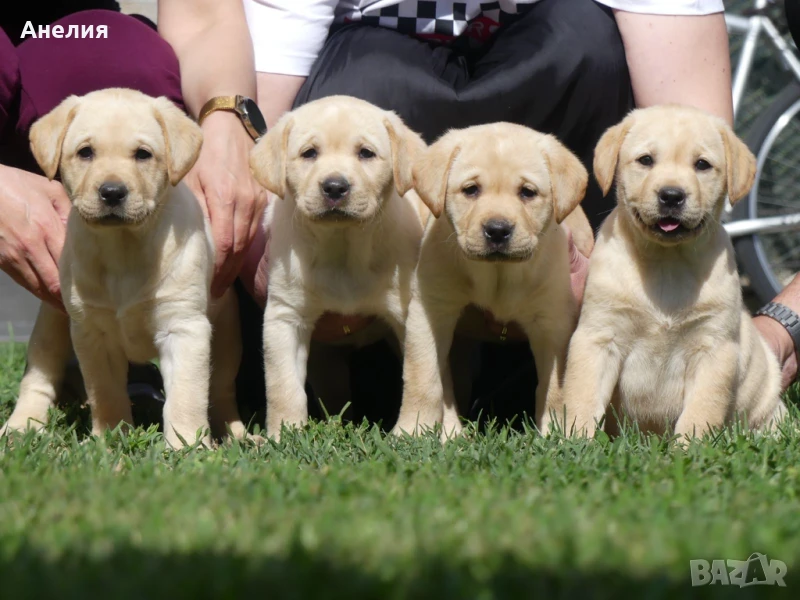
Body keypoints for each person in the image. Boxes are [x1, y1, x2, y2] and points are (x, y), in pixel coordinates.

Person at [235, 0, 773, 427]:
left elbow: (693, 143)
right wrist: (264, 253)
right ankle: (406, 397)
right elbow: (261, 126)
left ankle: (556, 403)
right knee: (370, 69)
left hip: (563, 288)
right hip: (365, 295)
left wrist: (615, 268)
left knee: (580, 33)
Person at [0, 1, 266, 417]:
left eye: (141, 154)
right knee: (81, 310)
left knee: (121, 51)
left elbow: (206, 17)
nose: (112, 184)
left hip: (63, 30)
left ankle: (219, 406)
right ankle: (54, 394)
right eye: (86, 152)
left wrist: (227, 119)